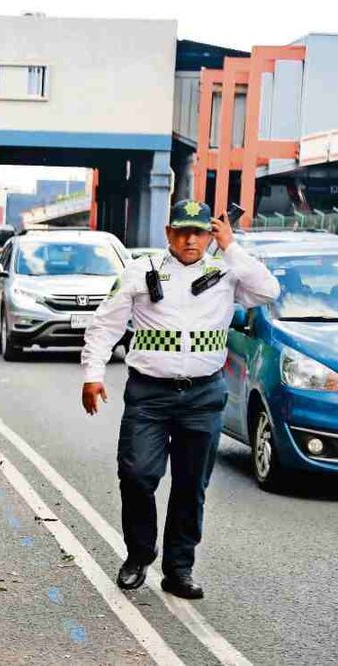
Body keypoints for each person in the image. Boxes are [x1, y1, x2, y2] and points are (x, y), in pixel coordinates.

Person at [81, 200, 279, 599]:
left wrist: (231, 247)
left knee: (191, 486)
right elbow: (105, 325)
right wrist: (93, 374)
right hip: (149, 395)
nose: (191, 239)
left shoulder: (227, 271)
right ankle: (139, 555)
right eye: (183, 231)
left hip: (203, 394)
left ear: (210, 234)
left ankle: (179, 568)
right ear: (168, 233)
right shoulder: (142, 271)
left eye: (200, 232)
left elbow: (268, 290)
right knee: (136, 475)